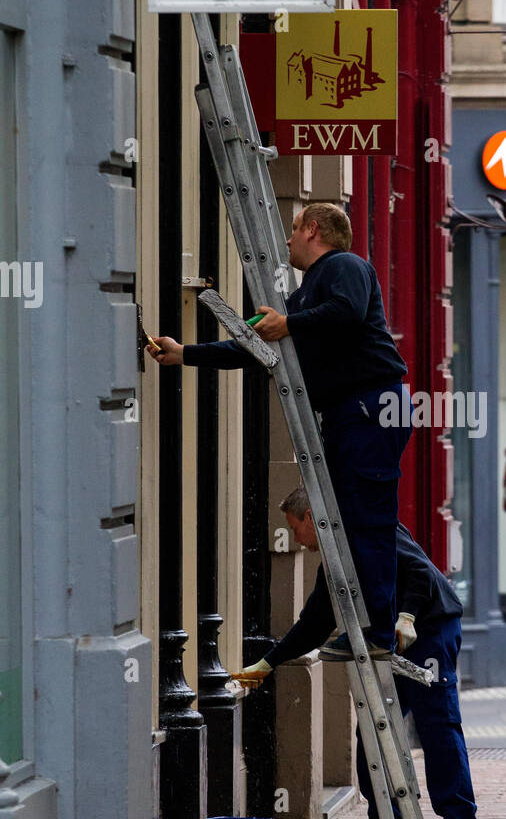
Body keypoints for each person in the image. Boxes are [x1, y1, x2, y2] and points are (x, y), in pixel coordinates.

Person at [147, 202, 412, 658]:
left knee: (367, 522)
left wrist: (287, 322)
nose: (287, 241)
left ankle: (377, 633)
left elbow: (347, 313)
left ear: (313, 229)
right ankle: (370, 629)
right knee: (351, 523)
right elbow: (255, 347)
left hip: (370, 407)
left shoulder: (345, 266)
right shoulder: (309, 294)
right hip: (355, 412)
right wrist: (184, 354)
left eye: (293, 230)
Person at [235, 485, 481, 819]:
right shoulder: (333, 561)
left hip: (430, 628)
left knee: (437, 723)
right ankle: (384, 816)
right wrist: (266, 663)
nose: (298, 540)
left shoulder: (368, 529)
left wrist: (408, 615)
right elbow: (314, 624)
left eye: (296, 529)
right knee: (372, 723)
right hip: (390, 638)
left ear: (309, 517)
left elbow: (421, 574)